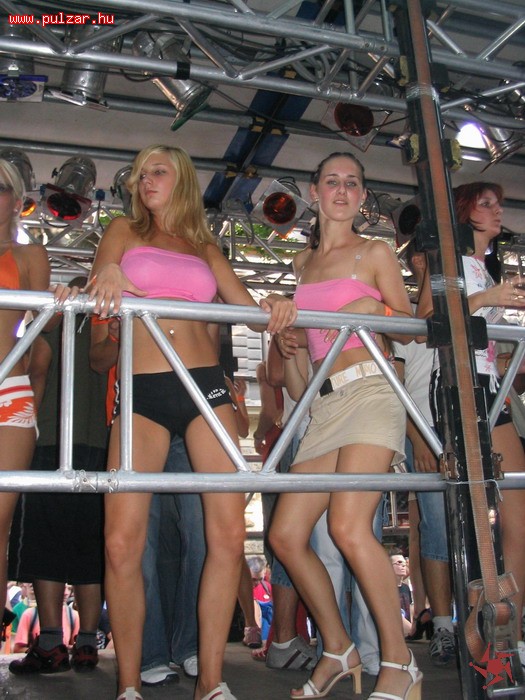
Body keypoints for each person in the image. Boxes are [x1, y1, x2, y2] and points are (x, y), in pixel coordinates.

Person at [85, 144, 296, 700]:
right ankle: (128, 684)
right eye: (140, 174)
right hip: (142, 390)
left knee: (227, 536)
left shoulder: (205, 246)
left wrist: (276, 301)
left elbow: (250, 310)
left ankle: (210, 680)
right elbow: (97, 329)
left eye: (158, 171)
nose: (145, 180)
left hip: (207, 389)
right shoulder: (121, 233)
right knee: (121, 543)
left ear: (182, 179)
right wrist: (108, 280)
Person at [269, 151, 422, 700]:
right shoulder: (301, 266)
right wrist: (285, 339)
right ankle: (338, 648)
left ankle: (400, 662)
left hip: (373, 392)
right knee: (285, 535)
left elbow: (411, 329)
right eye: (331, 181)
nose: (341, 190)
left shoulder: (374, 252)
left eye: (352, 183)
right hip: (324, 404)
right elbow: (298, 373)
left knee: (349, 527)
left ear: (361, 196)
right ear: (314, 192)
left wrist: (375, 310)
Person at [418, 181, 525, 667]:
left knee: (515, 513)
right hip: (461, 386)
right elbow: (426, 315)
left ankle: (507, 630)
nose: (497, 210)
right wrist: (487, 298)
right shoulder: (450, 260)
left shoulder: (484, 266)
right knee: (480, 515)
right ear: (464, 212)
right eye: (486, 203)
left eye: (498, 203)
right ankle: (492, 632)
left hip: (491, 387)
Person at [8, 278, 108, 675]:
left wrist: (23, 430)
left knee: (44, 544)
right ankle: (86, 642)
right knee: (90, 544)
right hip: (100, 443)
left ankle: (51, 641)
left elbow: (36, 370)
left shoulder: (52, 319)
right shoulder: (112, 321)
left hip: (51, 438)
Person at [0, 159, 50, 628]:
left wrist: (64, 300)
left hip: (9, 390)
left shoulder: (30, 255)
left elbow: (44, 330)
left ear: (17, 201)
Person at [389, 549, 413, 638]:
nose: (403, 565)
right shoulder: (386, 589)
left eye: (404, 563)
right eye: (398, 563)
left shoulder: (406, 588)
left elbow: (410, 610)